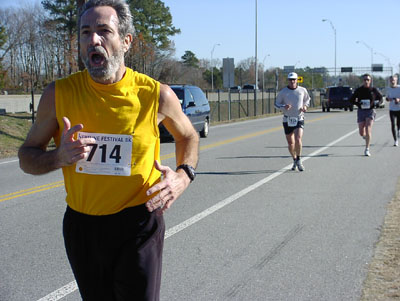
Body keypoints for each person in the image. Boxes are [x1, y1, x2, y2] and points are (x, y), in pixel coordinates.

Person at [18, 0, 199, 299]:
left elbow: (189, 136)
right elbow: (27, 156)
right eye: (86, 32)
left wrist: (183, 175)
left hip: (139, 222)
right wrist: (58, 157)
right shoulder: (58, 94)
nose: (93, 40)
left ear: (126, 41)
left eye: (104, 30)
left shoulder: (156, 94)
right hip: (82, 226)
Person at [275, 72, 310, 171]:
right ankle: (294, 159)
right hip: (287, 119)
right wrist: (283, 106)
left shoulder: (302, 90)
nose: (292, 81)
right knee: (291, 143)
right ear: (288, 81)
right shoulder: (283, 92)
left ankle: (299, 159)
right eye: (290, 80)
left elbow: (307, 100)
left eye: (294, 79)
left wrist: (305, 106)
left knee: (298, 139)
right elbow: (276, 104)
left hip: (299, 117)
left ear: (297, 80)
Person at [350, 73, 382, 156]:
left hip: (370, 111)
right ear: (362, 81)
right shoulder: (359, 90)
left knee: (368, 128)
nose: (366, 81)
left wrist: (377, 104)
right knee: (361, 132)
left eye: (368, 80)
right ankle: (365, 136)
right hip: (361, 111)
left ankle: (367, 149)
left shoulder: (373, 90)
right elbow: (352, 99)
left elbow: (380, 98)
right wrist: (358, 104)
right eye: (365, 80)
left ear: (370, 81)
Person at [386, 74, 400, 146]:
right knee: (393, 124)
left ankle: (398, 131)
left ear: (396, 80)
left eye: (393, 80)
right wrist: (388, 99)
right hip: (392, 109)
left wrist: (398, 99)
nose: (392, 81)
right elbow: (387, 98)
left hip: (399, 109)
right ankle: (395, 140)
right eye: (391, 80)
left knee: (398, 124)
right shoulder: (388, 89)